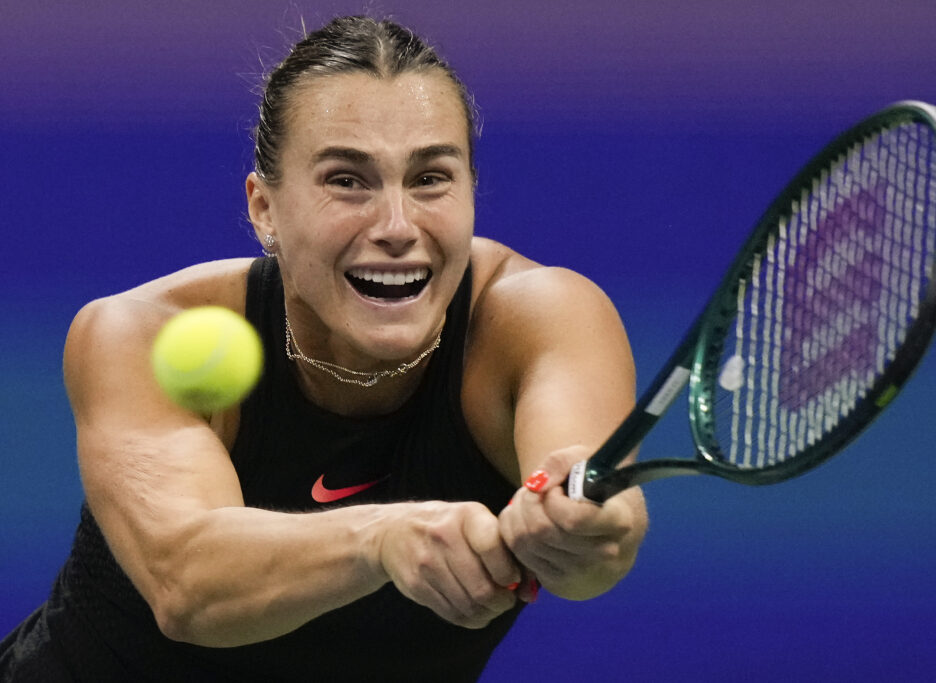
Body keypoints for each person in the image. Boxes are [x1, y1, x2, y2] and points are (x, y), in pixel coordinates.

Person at [0, 15, 647, 682]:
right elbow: (186, 582)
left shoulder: (540, 318)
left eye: (430, 178)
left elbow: (599, 546)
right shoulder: (138, 330)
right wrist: (386, 538)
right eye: (347, 180)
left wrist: (586, 530)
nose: (398, 226)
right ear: (264, 209)